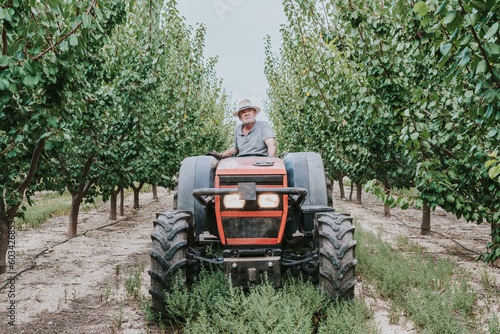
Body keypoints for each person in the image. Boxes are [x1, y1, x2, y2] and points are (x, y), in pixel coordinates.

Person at [208, 99, 276, 159]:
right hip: (241, 162)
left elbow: (271, 144)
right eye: (243, 112)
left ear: (254, 113)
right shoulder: (237, 129)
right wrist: (220, 155)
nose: (246, 114)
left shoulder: (263, 125)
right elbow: (236, 149)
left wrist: (270, 159)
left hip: (260, 162)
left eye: (249, 111)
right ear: (240, 117)